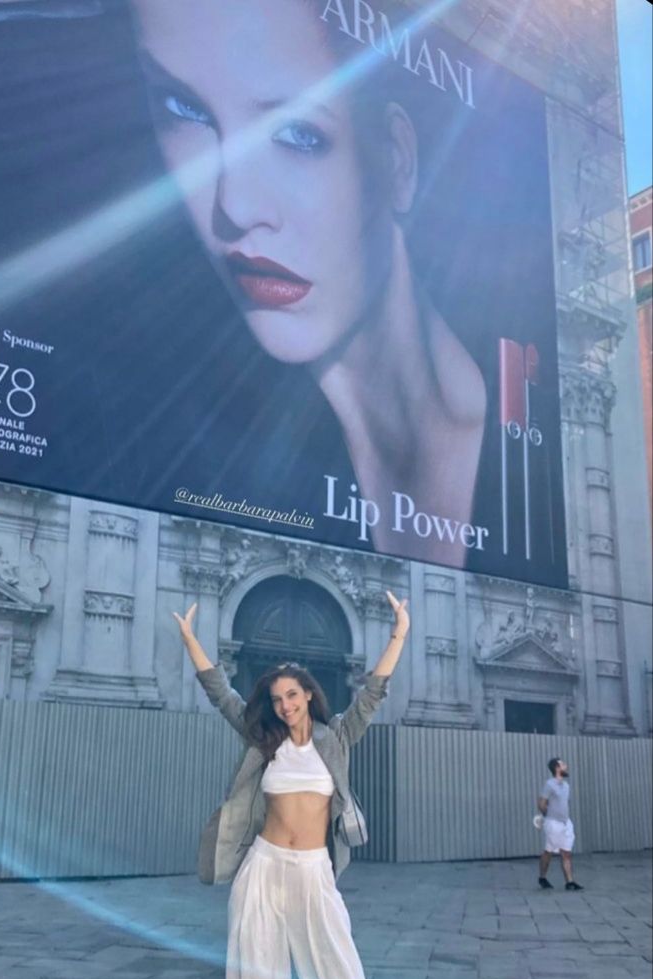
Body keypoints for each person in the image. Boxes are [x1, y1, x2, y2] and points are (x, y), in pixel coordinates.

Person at [132, 0, 487, 569]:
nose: (235, 205)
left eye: (299, 134)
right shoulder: (167, 439)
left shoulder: (530, 464)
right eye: (184, 107)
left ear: (396, 162)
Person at [172, 589, 415, 979]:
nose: (283, 705)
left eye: (291, 695)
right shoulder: (264, 744)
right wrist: (191, 642)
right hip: (261, 873)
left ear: (309, 695)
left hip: (314, 877)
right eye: (276, 697)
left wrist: (398, 634)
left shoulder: (336, 737)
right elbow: (222, 695)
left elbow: (374, 691)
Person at [537, 757, 583, 891]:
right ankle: (542, 877)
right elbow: (541, 803)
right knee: (549, 852)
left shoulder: (566, 785)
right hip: (553, 823)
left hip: (566, 823)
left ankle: (570, 882)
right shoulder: (549, 784)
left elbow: (565, 803)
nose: (566, 766)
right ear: (557, 768)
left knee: (566, 853)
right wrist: (548, 817)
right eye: (563, 764)